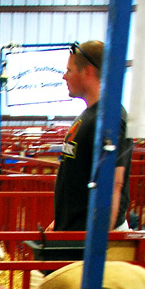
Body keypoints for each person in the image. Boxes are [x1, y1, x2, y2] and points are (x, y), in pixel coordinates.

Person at [48, 40, 133, 233]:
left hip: (90, 236)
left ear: (87, 72)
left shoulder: (110, 118)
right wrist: (61, 221)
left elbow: (114, 183)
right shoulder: (90, 116)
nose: (64, 76)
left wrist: (99, 242)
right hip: (75, 232)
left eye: (69, 70)